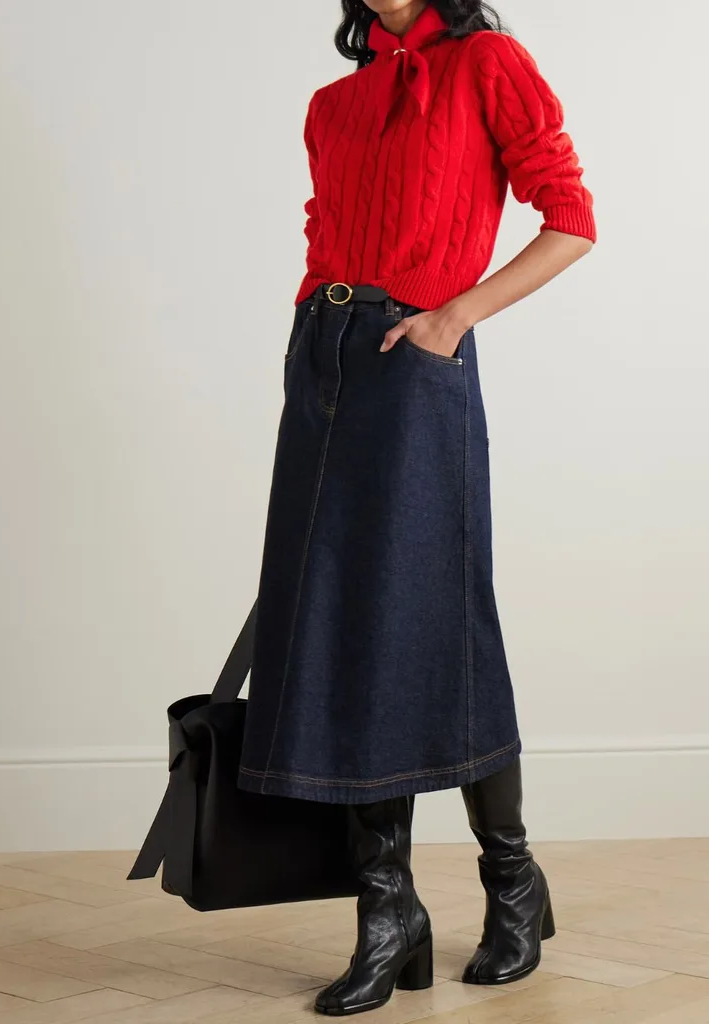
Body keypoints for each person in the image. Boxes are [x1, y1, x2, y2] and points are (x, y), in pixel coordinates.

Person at [238, 0, 595, 1015]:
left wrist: (454, 315)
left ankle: (511, 879)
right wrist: (316, 331)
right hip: (323, 355)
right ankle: (388, 911)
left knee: (434, 619)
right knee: (339, 628)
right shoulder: (333, 102)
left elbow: (571, 217)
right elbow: (325, 233)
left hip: (416, 359)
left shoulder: (487, 63)